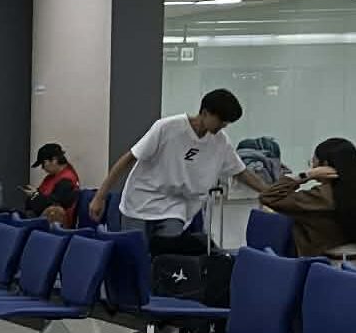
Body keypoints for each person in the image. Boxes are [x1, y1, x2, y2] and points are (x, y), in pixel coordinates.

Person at [88, 89, 268, 242]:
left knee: (168, 259)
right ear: (205, 112)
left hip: (176, 207)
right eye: (221, 120)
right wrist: (100, 196)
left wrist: (268, 192)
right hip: (140, 202)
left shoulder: (221, 143)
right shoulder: (167, 128)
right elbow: (128, 159)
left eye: (227, 122)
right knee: (136, 259)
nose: (224, 125)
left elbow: (242, 172)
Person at [260, 137, 356, 259]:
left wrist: (306, 175)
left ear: (325, 165)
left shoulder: (320, 196)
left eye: (313, 162)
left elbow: (269, 197)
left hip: (328, 267)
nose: (312, 166)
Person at [24, 143, 81, 224]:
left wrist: (35, 195)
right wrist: (33, 195)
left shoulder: (67, 181)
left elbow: (52, 205)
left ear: (54, 160)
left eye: (43, 163)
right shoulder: (51, 177)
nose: (43, 168)